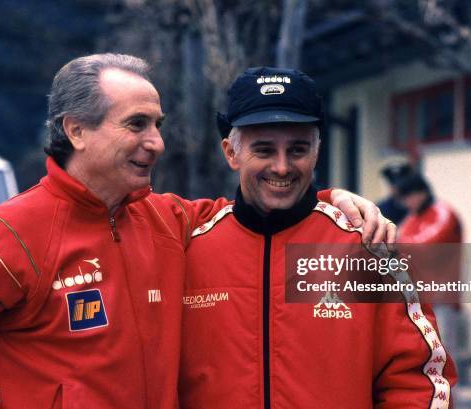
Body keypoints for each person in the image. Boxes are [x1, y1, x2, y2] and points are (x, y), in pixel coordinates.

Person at [0, 54, 394, 408]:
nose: (157, 142)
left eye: (158, 124)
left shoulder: (167, 221)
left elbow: (260, 207)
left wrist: (332, 201)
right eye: (137, 125)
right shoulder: (6, 233)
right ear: (76, 130)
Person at [179, 67, 456, 408]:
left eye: (297, 150)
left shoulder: (367, 249)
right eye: (264, 150)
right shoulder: (187, 247)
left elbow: (419, 380)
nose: (281, 167)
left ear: (317, 150)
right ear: (231, 153)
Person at [397, 172, 463, 356]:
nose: (406, 204)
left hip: (442, 295)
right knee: (422, 352)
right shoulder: (413, 217)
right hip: (420, 296)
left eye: (408, 197)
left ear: (421, 193)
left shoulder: (443, 213)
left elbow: (425, 246)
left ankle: (449, 386)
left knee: (443, 350)